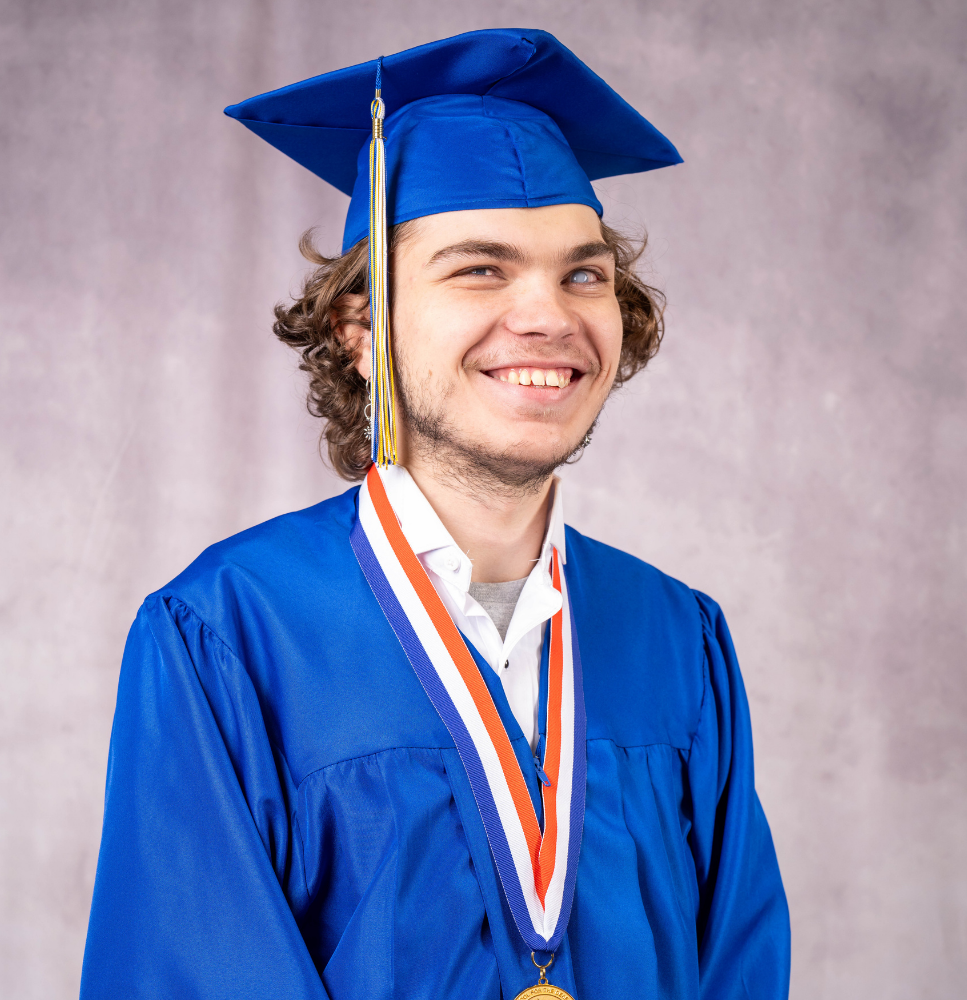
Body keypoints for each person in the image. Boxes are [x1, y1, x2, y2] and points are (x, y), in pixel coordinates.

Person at [80, 28, 789, 1000]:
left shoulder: (680, 639)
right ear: (359, 325)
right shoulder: (225, 636)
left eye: (583, 272)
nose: (547, 313)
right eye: (480, 269)